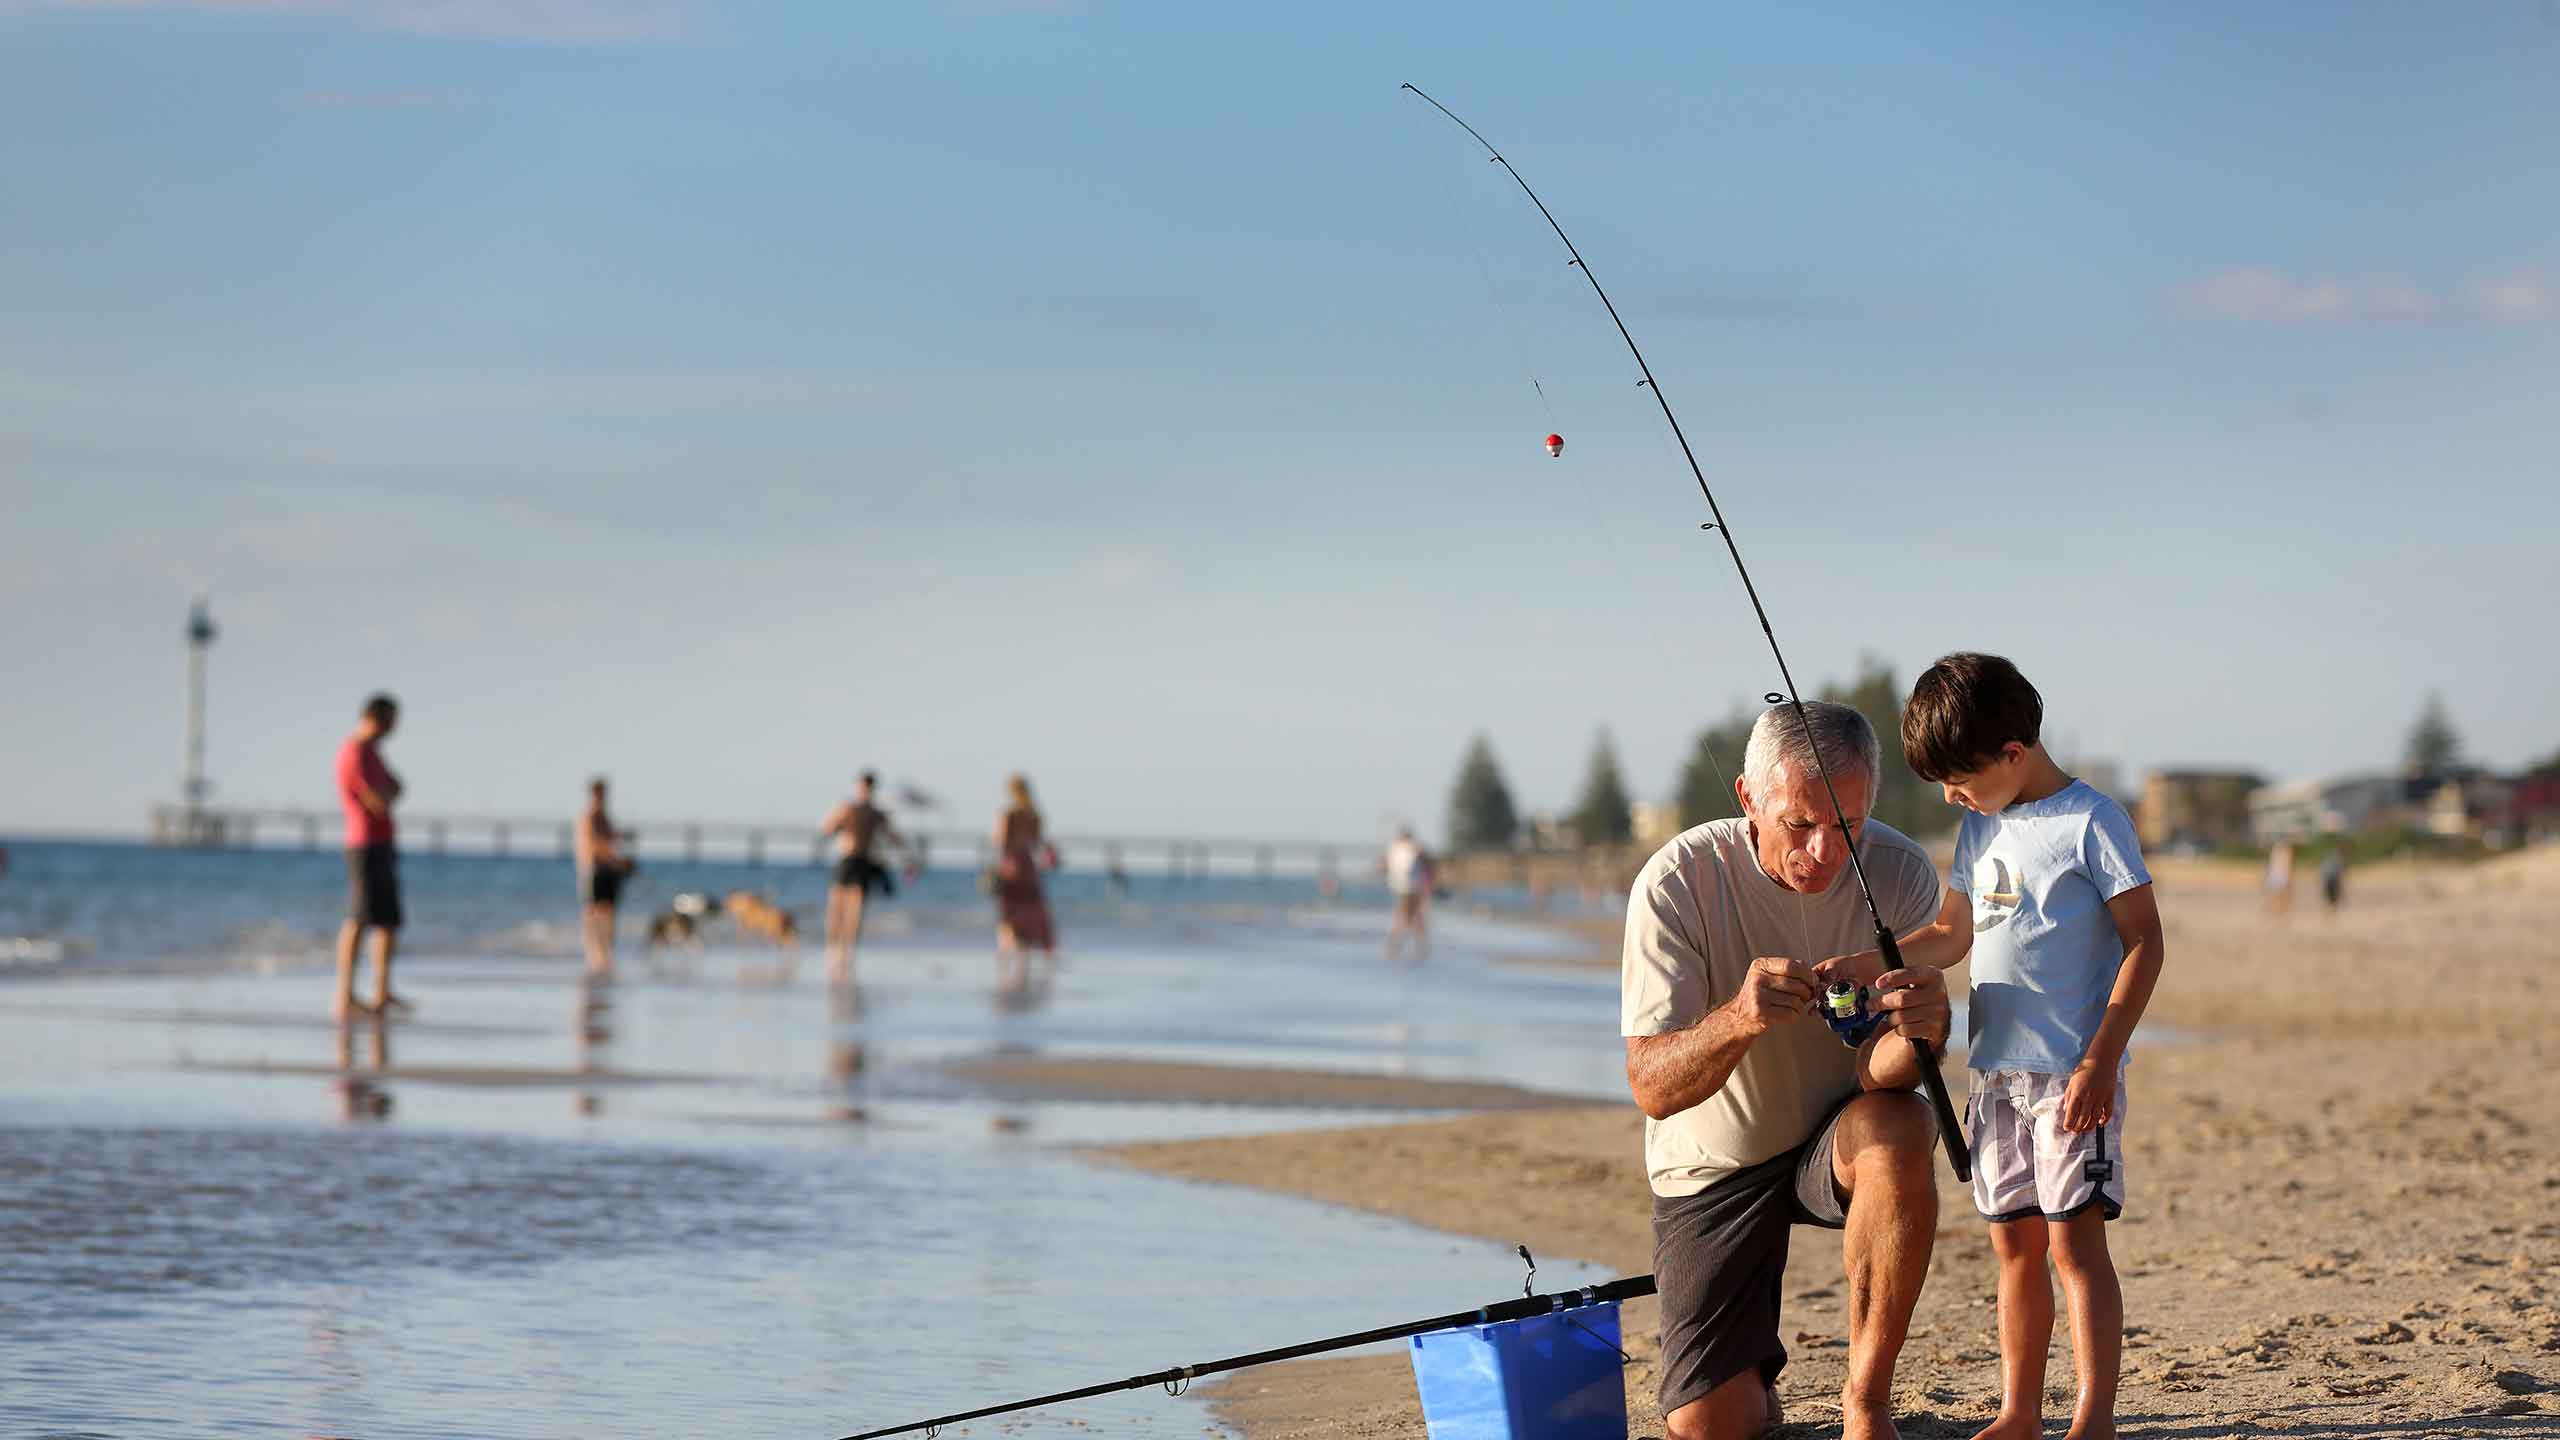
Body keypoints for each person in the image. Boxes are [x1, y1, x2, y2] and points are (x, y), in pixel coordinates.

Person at [1622, 701, 1951, 1440]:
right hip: (1712, 1165)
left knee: (1903, 1125)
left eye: (1849, 826)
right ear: (1748, 797)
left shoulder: (1899, 874)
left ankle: (1865, 1404)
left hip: (1834, 1139)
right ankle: (1748, 1377)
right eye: (1800, 825)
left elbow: (1882, 1075)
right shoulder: (1677, 879)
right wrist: (1739, 1017)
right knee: (1713, 1424)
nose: (1826, 853)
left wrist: (1921, 1032)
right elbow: (1651, 1087)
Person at [1880, 653, 2166, 1440]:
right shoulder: (1980, 826)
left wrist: (2101, 1060)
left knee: (2076, 1249)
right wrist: (1873, 963)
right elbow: (1951, 933)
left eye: (1960, 778)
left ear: (2014, 752)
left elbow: (2145, 942)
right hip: (1995, 1075)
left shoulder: (2092, 820)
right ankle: (2020, 1412)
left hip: (2073, 1079)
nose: (1950, 796)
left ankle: (2094, 1418)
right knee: (2015, 1248)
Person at [332, 693, 406, 1023]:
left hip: (383, 841)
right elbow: (380, 799)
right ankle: (344, 994)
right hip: (363, 844)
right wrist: (389, 791)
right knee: (359, 917)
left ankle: (381, 991)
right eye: (391, 720)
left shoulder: (374, 752)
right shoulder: (356, 752)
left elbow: (396, 788)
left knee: (387, 921)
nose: (394, 728)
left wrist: (390, 791)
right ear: (376, 718)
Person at [820, 771, 909, 989]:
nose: (865, 790)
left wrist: (907, 852)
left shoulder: (877, 813)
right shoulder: (847, 808)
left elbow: (892, 835)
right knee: (837, 906)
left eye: (867, 787)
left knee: (856, 908)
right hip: (847, 859)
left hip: (865, 862)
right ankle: (833, 948)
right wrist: (838, 826)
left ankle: (847, 951)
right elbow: (827, 828)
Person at [991, 774, 1058, 991]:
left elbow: (999, 842)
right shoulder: (1035, 816)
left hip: (1011, 867)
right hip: (1029, 868)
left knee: (1008, 914)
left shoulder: (1008, 814)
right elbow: (1039, 844)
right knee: (1030, 911)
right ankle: (1023, 962)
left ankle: (1005, 959)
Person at [573, 777, 634, 978]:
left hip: (610, 871)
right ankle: (594, 955)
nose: (602, 798)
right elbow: (594, 846)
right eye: (600, 794)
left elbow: (612, 840)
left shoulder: (605, 818)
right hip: (594, 871)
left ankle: (605, 954)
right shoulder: (588, 817)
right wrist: (617, 859)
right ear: (593, 794)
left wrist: (622, 857)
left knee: (609, 914)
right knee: (593, 913)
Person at [1383, 826, 1434, 961]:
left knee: (1404, 918)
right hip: (1413, 888)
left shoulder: (1393, 849)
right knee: (1412, 918)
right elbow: (1427, 864)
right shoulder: (1414, 848)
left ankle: (1396, 947)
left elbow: (1386, 866)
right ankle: (1416, 948)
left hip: (1401, 888)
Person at [2263, 837, 2296, 918]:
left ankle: (2276, 911)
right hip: (2280, 875)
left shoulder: (2277, 852)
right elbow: (2287, 865)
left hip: (2277, 874)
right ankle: (2278, 912)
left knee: (2277, 895)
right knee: (2281, 895)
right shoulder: (2285, 852)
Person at [2319, 843, 2348, 913]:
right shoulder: (2340, 858)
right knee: (2333, 898)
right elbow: (2340, 873)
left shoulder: (2330, 857)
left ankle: (2329, 912)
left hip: (2328, 879)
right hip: (2332, 880)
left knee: (2329, 898)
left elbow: (2323, 869)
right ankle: (2331, 912)